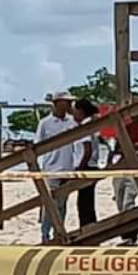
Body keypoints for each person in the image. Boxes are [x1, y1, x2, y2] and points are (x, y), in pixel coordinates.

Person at [35, 92, 80, 243]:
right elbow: (37, 145)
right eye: (66, 102)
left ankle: (58, 232)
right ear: (57, 103)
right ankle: (45, 234)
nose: (69, 105)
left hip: (68, 167)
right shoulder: (45, 123)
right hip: (51, 168)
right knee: (50, 205)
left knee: (62, 204)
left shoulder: (72, 121)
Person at [111, 112, 138, 246]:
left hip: (137, 167)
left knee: (128, 201)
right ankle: (126, 233)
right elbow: (117, 146)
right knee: (119, 199)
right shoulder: (126, 126)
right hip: (123, 164)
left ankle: (131, 235)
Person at [73, 99, 102, 228]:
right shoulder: (92, 124)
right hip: (92, 165)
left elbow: (87, 149)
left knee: (84, 202)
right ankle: (90, 226)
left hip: (87, 166)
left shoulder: (85, 127)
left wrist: (80, 167)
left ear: (81, 111)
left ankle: (87, 227)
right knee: (87, 200)